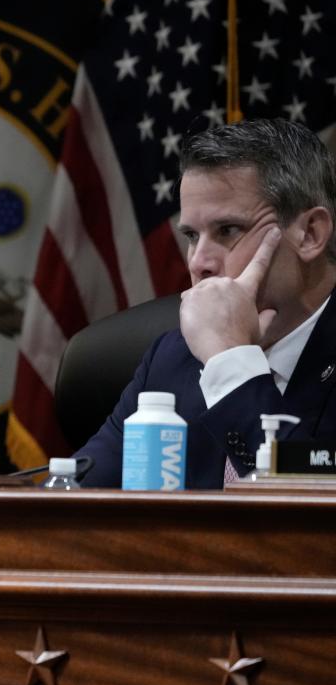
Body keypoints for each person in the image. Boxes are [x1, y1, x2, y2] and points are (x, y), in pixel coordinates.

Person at [79, 118, 336, 489]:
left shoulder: (215, 355)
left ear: (310, 234)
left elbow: (310, 523)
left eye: (228, 230)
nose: (199, 262)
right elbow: (68, 507)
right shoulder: (171, 360)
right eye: (190, 236)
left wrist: (231, 366)